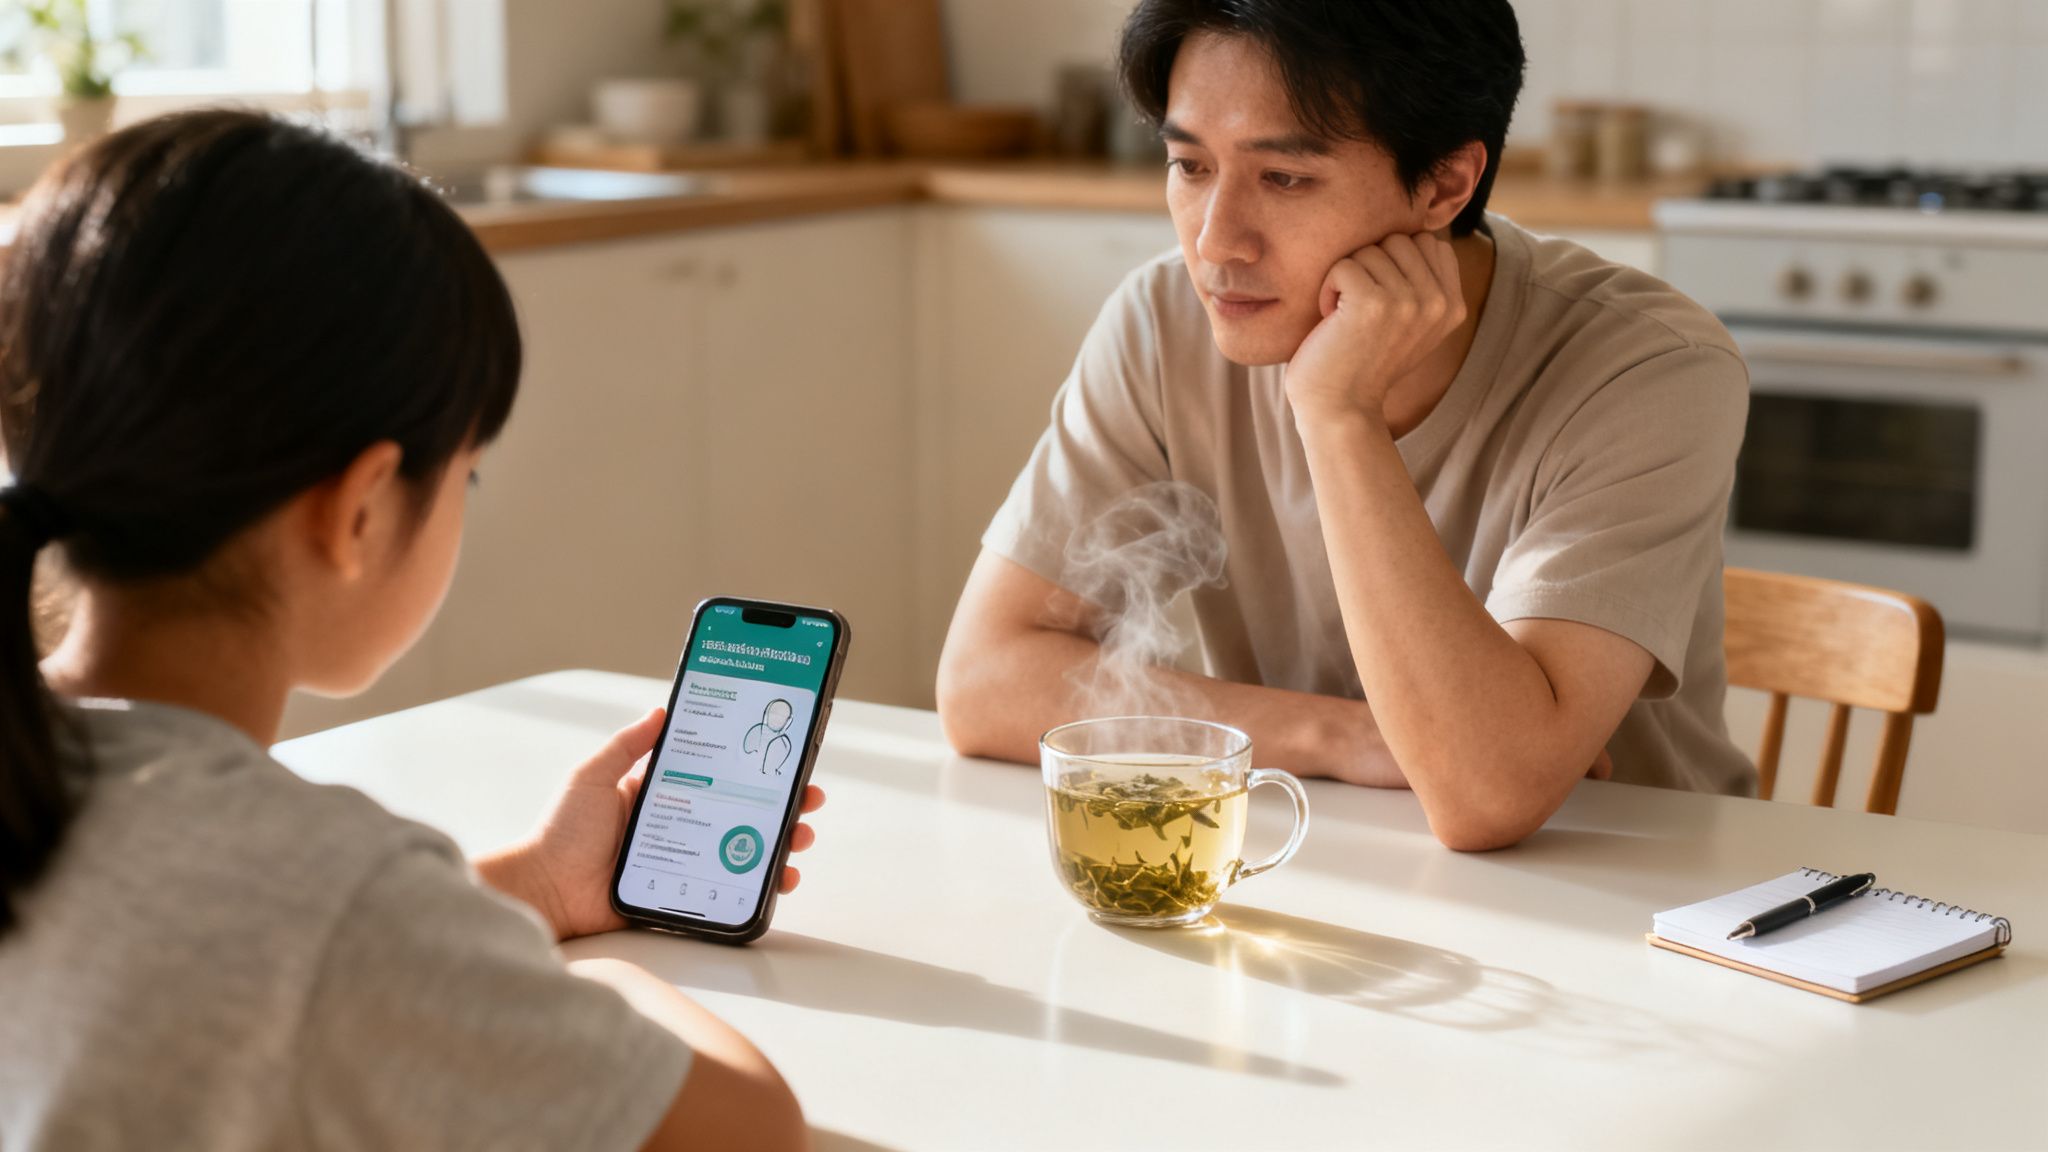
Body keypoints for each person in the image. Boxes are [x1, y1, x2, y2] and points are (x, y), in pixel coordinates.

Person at [0, 111, 817, 1151]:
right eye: (464, 470)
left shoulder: (45, 777)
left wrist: (529, 889)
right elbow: (749, 1134)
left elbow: (257, 948)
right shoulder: (333, 903)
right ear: (359, 510)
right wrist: (588, 985)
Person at [937, 0, 1754, 851]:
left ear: (1444, 183)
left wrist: (1338, 414)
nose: (1215, 245)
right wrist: (1342, 735)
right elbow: (984, 683)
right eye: (1189, 166)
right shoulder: (1161, 321)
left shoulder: (1650, 366)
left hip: (1630, 899)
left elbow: (1487, 795)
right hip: (1313, 859)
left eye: (1285, 178)